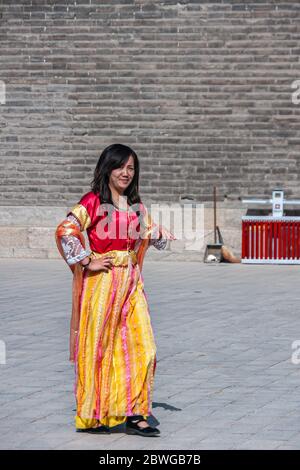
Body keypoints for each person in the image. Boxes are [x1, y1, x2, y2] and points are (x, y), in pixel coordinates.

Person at [55, 143, 175, 437]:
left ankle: (136, 413)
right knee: (101, 347)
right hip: (103, 284)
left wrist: (157, 234)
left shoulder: (137, 206)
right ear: (107, 168)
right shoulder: (93, 201)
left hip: (132, 284)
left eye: (131, 168)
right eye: (120, 166)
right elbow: (65, 230)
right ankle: (96, 413)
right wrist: (86, 260)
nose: (126, 173)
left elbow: (150, 239)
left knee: (143, 347)